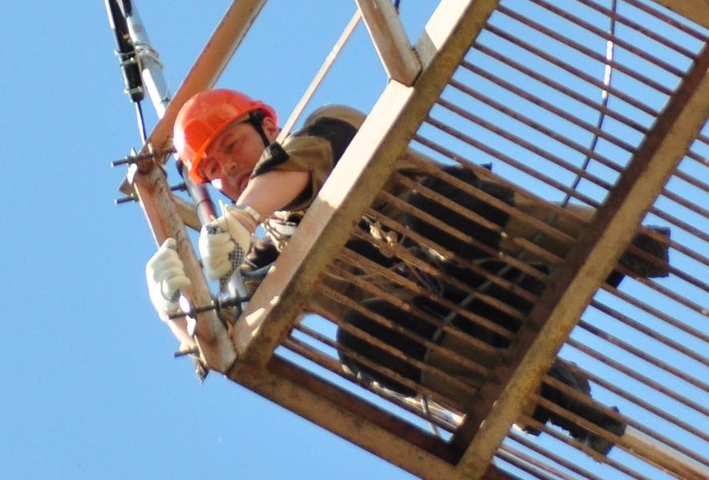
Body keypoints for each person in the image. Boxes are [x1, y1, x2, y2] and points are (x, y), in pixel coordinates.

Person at [146, 89, 671, 459]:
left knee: (434, 208)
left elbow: (297, 169)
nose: (228, 172)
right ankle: (552, 398)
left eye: (231, 148)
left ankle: (618, 245)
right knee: (361, 340)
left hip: (499, 257)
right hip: (464, 322)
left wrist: (241, 218)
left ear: (267, 126)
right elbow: (221, 339)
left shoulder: (329, 127)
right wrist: (175, 306)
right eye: (213, 172)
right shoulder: (264, 259)